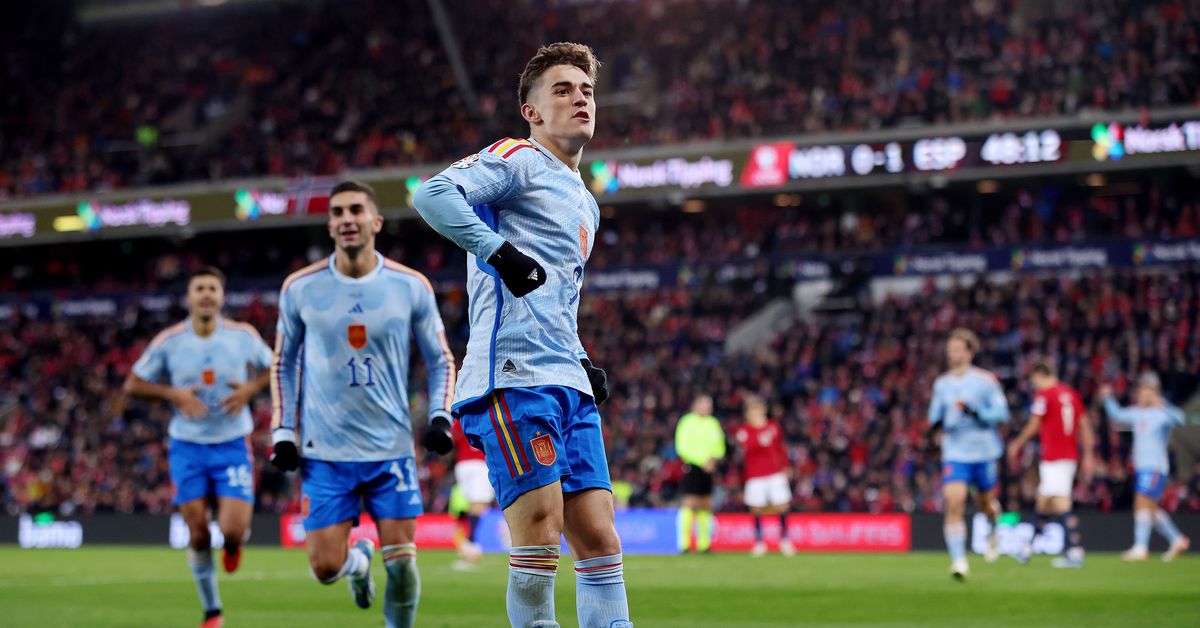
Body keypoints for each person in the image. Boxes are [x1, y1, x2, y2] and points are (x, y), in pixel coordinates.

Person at [411, 42, 631, 628]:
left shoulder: (586, 203)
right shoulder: (518, 158)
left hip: (566, 381)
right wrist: (498, 252)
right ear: (531, 111)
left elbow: (559, 299)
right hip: (513, 376)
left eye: (586, 90)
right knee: (541, 527)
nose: (580, 99)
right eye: (562, 90)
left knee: (600, 537)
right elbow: (431, 194)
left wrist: (582, 359)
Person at [269, 180, 455, 628]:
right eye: (337, 212)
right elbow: (283, 363)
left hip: (390, 448)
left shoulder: (411, 286)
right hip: (325, 452)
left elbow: (440, 359)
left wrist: (440, 417)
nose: (346, 219)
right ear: (330, 226)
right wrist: (283, 432)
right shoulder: (299, 288)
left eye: (356, 210)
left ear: (376, 222)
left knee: (403, 564)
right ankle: (356, 564)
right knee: (325, 568)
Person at [124, 266, 272, 628]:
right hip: (187, 446)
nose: (206, 294)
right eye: (199, 288)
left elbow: (277, 366)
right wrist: (170, 393)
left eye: (212, 288)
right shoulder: (169, 341)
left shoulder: (243, 336)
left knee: (232, 530)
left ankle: (234, 545)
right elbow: (133, 384)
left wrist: (252, 389)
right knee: (198, 533)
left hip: (232, 444)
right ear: (189, 298)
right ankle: (212, 611)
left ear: (221, 297)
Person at [927, 328, 1009, 580]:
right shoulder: (941, 384)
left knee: (986, 504)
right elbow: (934, 415)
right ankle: (959, 561)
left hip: (984, 451)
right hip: (955, 452)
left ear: (969, 352)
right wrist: (934, 424)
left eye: (956, 349)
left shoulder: (986, 381)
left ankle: (993, 526)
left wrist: (977, 413)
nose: (951, 354)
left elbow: (1002, 413)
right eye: (949, 349)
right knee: (954, 501)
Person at [1006, 360, 1095, 567]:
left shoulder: (1044, 395)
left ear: (1039, 375)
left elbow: (1034, 424)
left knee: (1060, 502)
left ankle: (1075, 551)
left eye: (1033, 381)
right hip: (1069, 456)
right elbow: (1084, 425)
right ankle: (1027, 549)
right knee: (1043, 502)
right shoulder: (1071, 394)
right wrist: (1088, 454)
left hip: (1054, 457)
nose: (1034, 385)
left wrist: (1017, 444)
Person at [1099, 373, 1190, 562]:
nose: (1143, 394)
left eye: (1147, 391)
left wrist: (1163, 404)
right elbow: (1117, 415)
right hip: (1142, 468)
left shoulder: (1160, 414)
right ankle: (1177, 539)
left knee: (1141, 502)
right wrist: (1108, 398)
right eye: (1141, 390)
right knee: (1151, 508)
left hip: (1155, 467)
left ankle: (1141, 547)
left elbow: (1181, 419)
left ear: (1155, 393)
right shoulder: (1136, 413)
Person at [733, 395, 794, 557]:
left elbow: (780, 447)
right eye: (753, 410)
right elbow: (746, 447)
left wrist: (786, 465)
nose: (757, 413)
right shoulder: (743, 431)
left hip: (775, 472)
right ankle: (759, 542)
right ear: (747, 414)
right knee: (756, 508)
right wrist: (759, 439)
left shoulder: (773, 426)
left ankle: (785, 540)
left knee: (783, 505)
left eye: (759, 409)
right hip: (754, 475)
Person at [675, 394, 726, 554]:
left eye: (709, 404)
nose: (707, 407)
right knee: (689, 503)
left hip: (709, 467)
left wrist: (714, 459)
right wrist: (703, 461)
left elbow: (720, 446)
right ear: (695, 405)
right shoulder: (687, 422)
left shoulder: (713, 423)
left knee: (706, 503)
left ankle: (704, 544)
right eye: (704, 403)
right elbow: (682, 447)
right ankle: (684, 544)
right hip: (693, 466)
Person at [451, 419, 494, 570]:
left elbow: (453, 438)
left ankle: (467, 542)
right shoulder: (486, 415)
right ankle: (470, 542)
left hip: (462, 465)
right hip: (479, 463)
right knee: (479, 503)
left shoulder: (459, 417)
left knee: (472, 504)